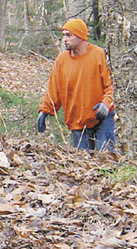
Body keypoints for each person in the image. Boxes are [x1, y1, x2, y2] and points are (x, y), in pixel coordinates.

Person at [36, 18, 116, 151]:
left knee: (107, 159)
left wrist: (106, 104)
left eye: (69, 35)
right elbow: (54, 90)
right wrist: (45, 110)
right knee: (83, 165)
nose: (64, 39)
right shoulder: (61, 60)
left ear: (80, 36)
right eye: (63, 35)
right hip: (77, 122)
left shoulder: (99, 55)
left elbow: (111, 85)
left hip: (102, 117)